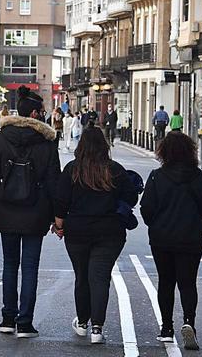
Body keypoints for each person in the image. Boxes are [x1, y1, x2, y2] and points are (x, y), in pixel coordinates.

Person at [0, 85, 60, 338]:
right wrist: (58, 217)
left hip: (5, 207)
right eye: (43, 112)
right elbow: (54, 182)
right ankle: (25, 322)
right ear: (34, 114)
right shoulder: (47, 143)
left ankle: (7, 318)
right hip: (36, 211)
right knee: (30, 267)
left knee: (10, 264)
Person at [53, 127, 139, 344]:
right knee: (100, 277)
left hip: (77, 231)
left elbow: (60, 201)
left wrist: (59, 225)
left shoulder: (72, 170)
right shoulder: (115, 170)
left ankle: (82, 322)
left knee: (82, 276)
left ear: (81, 146)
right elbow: (131, 197)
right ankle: (97, 328)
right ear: (104, 146)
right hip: (109, 231)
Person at [140, 131, 202, 350]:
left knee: (165, 282)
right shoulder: (199, 177)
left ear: (164, 152)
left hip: (162, 238)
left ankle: (166, 328)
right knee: (188, 283)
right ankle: (189, 322)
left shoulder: (156, 176)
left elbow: (147, 208)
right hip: (190, 238)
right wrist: (200, 227)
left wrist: (154, 226)